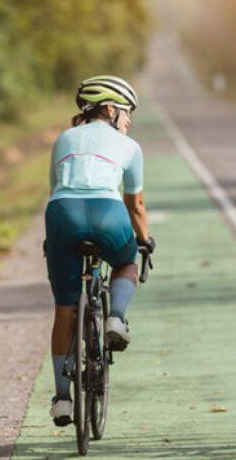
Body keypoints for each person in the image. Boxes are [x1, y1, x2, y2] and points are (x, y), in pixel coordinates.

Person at [44, 75, 155, 427]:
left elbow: (55, 188)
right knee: (126, 264)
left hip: (62, 213)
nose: (129, 120)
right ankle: (115, 318)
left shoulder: (63, 139)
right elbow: (134, 203)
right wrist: (145, 240)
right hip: (108, 212)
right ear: (109, 109)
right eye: (126, 112)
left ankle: (62, 399)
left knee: (64, 310)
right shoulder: (130, 146)